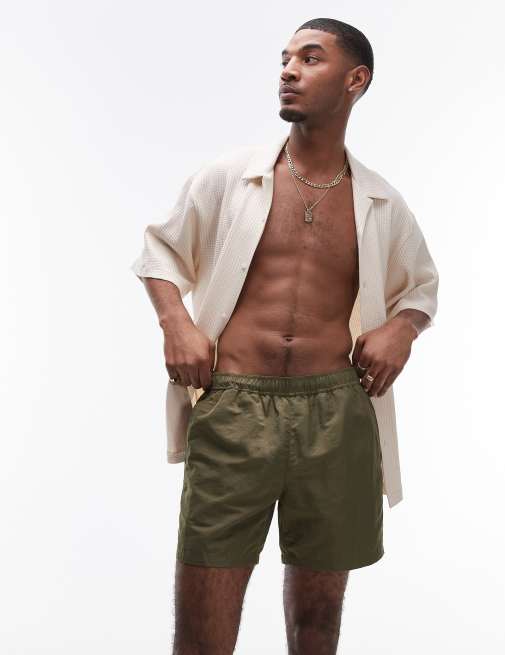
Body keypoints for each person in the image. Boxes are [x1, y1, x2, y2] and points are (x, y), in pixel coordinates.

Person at [131, 17, 439, 655]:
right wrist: (176, 325)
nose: (289, 70)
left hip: (336, 414)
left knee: (317, 624)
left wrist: (402, 330)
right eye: (285, 58)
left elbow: (422, 288)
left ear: (356, 80)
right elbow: (160, 251)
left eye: (311, 58)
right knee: (202, 628)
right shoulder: (231, 177)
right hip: (235, 407)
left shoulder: (380, 202)